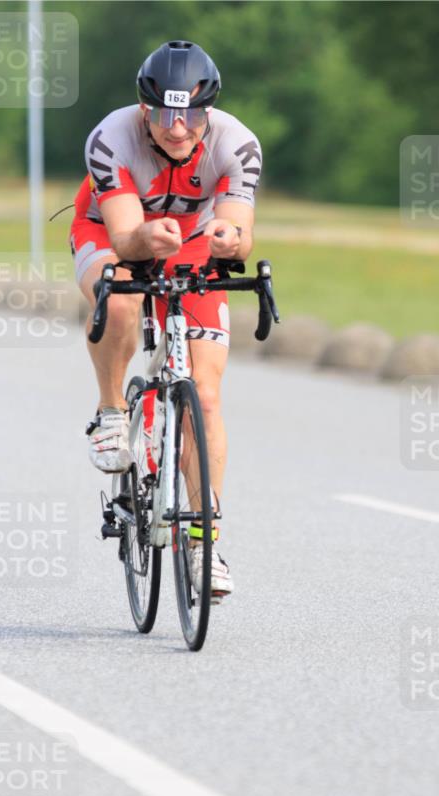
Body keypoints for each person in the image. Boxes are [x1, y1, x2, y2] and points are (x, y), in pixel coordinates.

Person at [70, 40, 262, 600]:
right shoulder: (112, 137)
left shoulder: (237, 144)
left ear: (210, 111)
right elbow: (129, 234)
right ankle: (111, 411)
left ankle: (203, 545)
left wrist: (230, 240)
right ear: (143, 109)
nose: (178, 129)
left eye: (193, 115)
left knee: (203, 398)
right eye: (163, 114)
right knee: (124, 291)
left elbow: (239, 229)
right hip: (111, 231)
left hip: (191, 244)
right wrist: (141, 241)